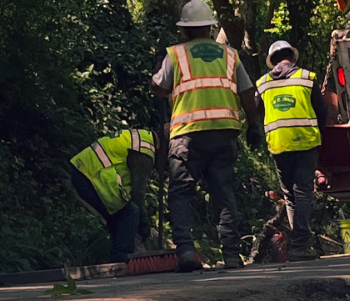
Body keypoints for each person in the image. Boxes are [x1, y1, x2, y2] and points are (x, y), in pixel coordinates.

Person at [151, 0, 259, 271]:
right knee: (223, 191)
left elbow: (158, 89)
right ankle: (232, 254)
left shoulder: (176, 55)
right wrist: (254, 125)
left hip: (188, 134)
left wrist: (157, 76)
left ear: (185, 30)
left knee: (181, 192)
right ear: (211, 27)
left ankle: (186, 251)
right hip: (224, 133)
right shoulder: (229, 55)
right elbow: (247, 92)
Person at [251, 40, 328, 261]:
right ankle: (300, 245)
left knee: (290, 195)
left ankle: (298, 244)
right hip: (305, 141)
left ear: (272, 61)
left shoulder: (263, 83)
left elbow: (256, 113)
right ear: (292, 57)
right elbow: (321, 111)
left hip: (279, 144)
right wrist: (318, 135)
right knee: (303, 191)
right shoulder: (306, 77)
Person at [68, 129, 158, 263]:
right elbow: (137, 194)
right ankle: (121, 260)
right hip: (92, 174)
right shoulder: (145, 150)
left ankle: (119, 255)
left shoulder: (140, 137)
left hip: (84, 170)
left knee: (120, 215)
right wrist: (144, 222)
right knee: (130, 212)